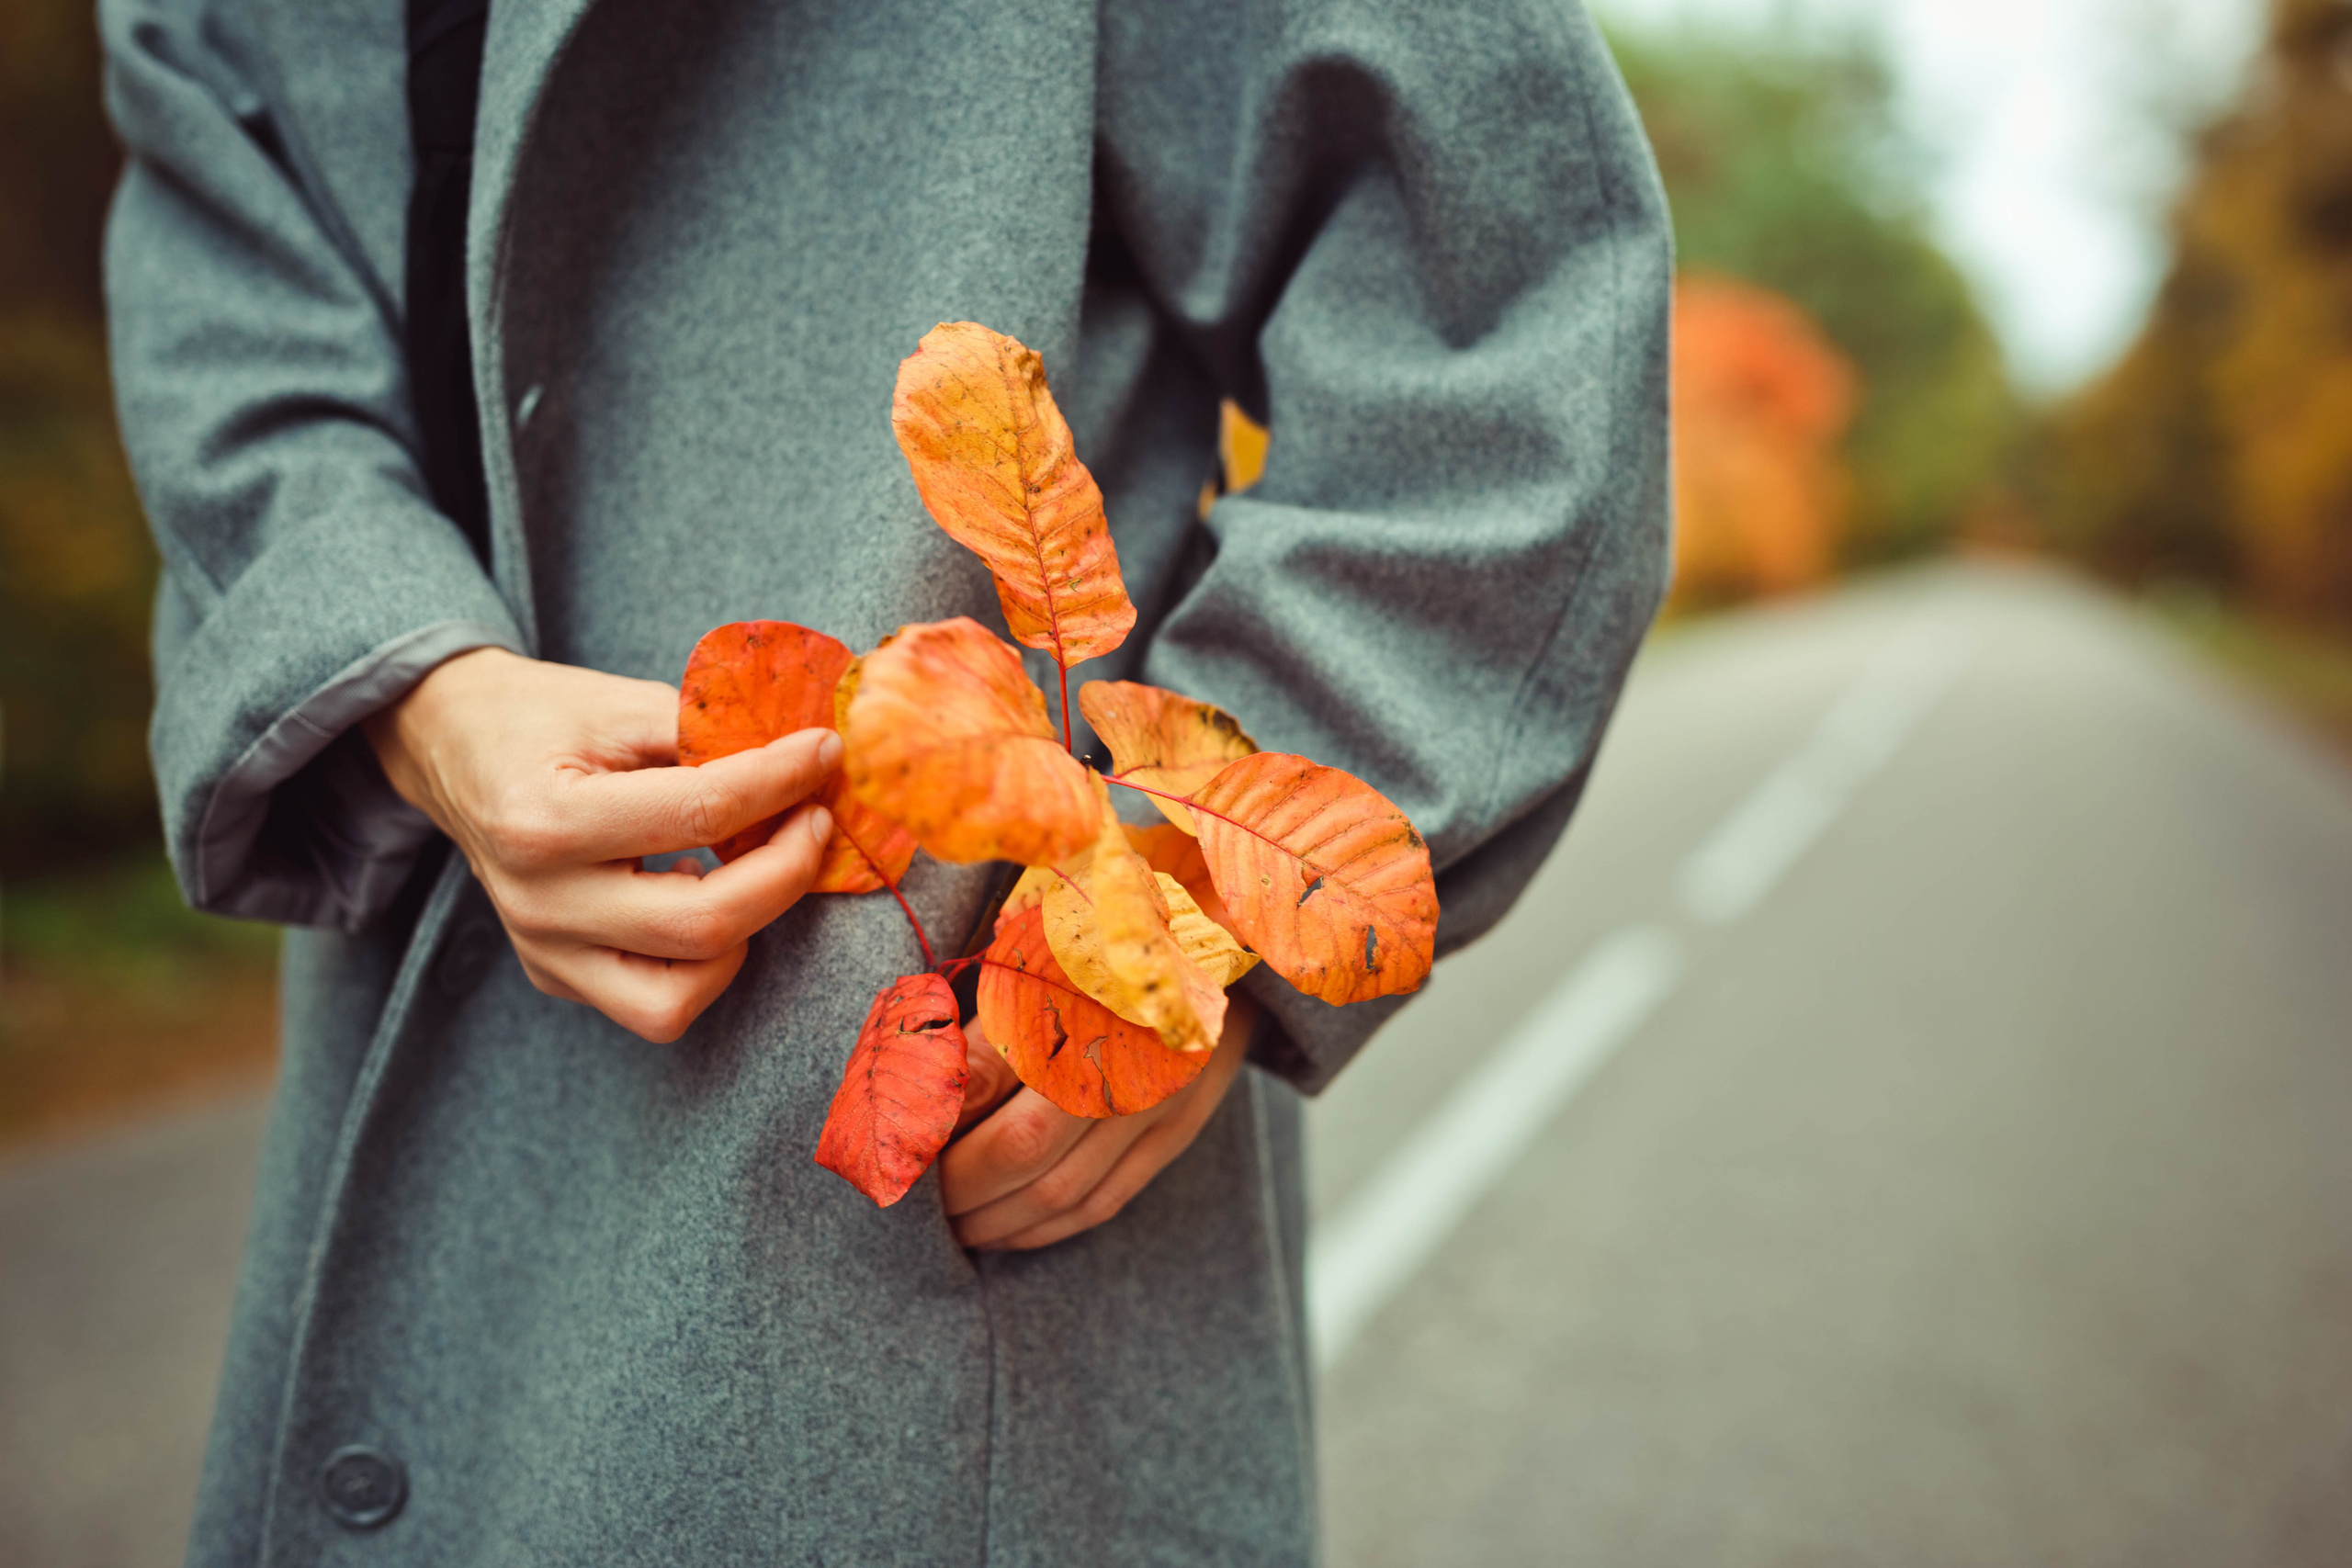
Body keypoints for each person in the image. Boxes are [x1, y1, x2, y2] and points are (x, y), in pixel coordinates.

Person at [103, 0, 1671, 1560]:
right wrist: (418, 690)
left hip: (948, 1177)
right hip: (406, 1055)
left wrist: (1176, 912)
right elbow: (230, 299)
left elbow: (1504, 310)